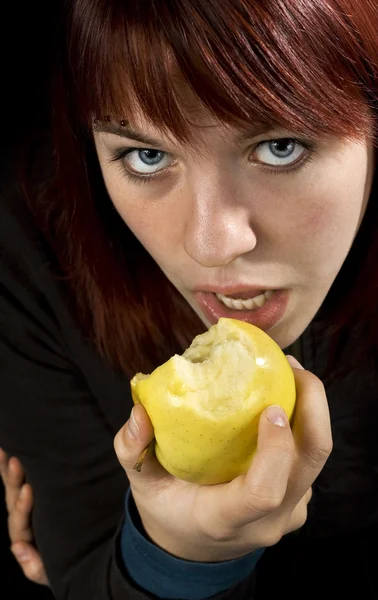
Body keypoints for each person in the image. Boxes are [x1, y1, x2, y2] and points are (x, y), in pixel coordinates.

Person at [0, 0, 377, 598]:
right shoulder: (37, 246)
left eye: (281, 147)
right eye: (146, 156)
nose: (212, 245)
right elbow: (82, 574)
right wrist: (177, 560)